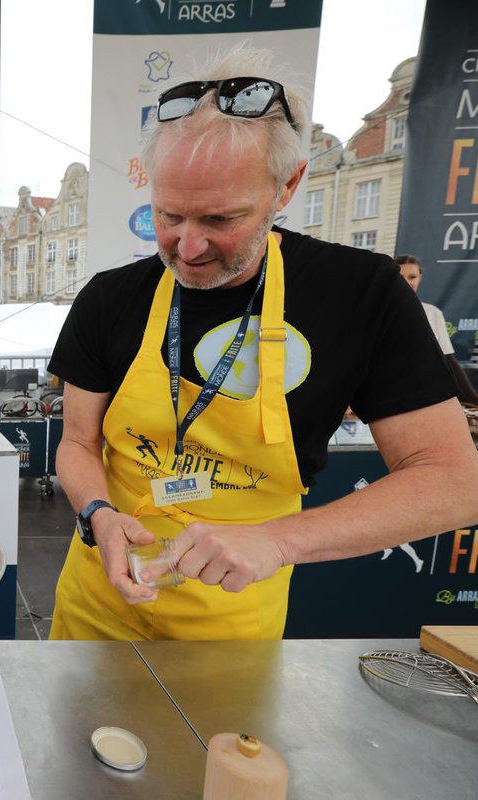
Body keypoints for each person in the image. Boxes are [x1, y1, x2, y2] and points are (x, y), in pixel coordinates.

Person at [47, 47, 478, 641]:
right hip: (100, 598)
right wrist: (98, 513)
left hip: (232, 618)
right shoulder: (110, 296)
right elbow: (77, 440)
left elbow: (455, 481)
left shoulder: (361, 293)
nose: (189, 247)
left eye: (221, 220)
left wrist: (277, 540)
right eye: (170, 216)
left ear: (287, 185)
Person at [394, 254, 478, 406]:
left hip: (425, 396)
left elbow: (448, 360)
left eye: (412, 277)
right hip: (388, 395)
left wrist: (473, 400)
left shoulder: (433, 313)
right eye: (400, 276)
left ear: (420, 277)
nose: (406, 282)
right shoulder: (376, 312)